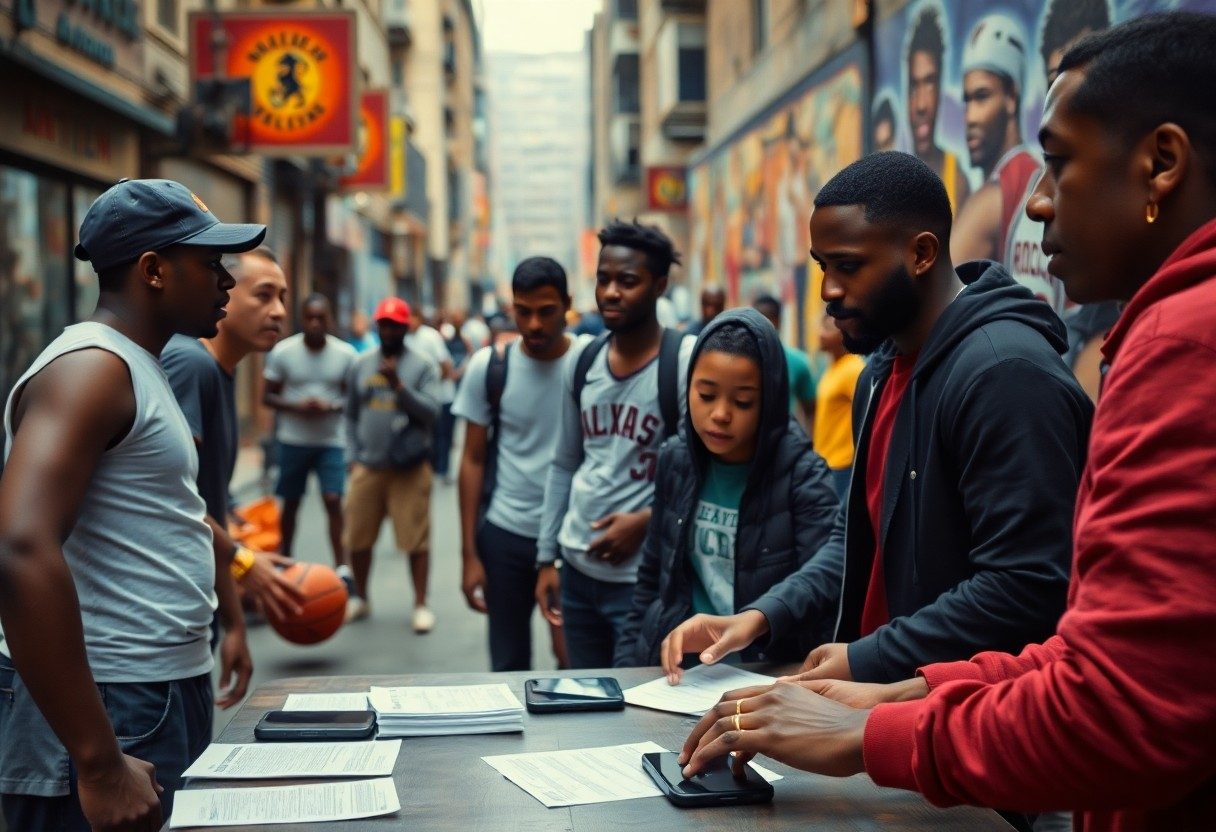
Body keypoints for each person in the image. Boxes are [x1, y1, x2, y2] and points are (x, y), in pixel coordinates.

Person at [678, 14, 1216, 830]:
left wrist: (875, 713)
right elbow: (1082, 645)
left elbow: (1068, 631)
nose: (1034, 202)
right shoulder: (885, 371)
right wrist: (884, 677)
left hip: (1002, 775)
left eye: (1060, 164)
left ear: (1163, 163)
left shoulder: (1110, 355)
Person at [661, 151, 1091, 688]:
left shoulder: (1005, 374)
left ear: (921, 253)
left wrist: (869, 659)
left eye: (849, 266)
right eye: (823, 267)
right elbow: (856, 541)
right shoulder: (880, 374)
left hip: (973, 725)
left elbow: (1026, 584)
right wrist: (763, 615)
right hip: (885, 714)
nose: (828, 292)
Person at [0, 178, 260, 830]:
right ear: (152, 271)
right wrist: (98, 759)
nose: (225, 280)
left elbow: (153, 516)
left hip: (152, 694)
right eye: (209, 263)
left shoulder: (139, 365)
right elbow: (20, 546)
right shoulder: (92, 370)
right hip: (113, 705)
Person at [615, 310, 839, 668]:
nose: (720, 414)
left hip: (765, 672)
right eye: (706, 395)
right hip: (682, 673)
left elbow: (825, 586)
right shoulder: (676, 459)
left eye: (743, 402)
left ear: (770, 402)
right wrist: (626, 672)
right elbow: (652, 581)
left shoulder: (803, 476)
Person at [536, 220, 695, 669]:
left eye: (627, 281)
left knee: (637, 700)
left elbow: (702, 472)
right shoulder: (582, 361)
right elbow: (565, 462)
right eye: (603, 279)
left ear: (659, 285)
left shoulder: (682, 363)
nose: (610, 292)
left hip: (641, 580)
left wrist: (645, 521)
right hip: (577, 571)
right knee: (582, 699)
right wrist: (546, 556)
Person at [454, 257, 588, 671]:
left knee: (576, 665)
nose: (533, 324)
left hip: (572, 538)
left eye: (546, 312)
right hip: (506, 535)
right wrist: (469, 555)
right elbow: (472, 460)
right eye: (523, 311)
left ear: (567, 304)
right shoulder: (490, 368)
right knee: (509, 665)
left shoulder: (592, 363)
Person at [161, 246, 305, 622]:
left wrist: (233, 622)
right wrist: (242, 562)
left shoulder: (218, 370)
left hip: (190, 611)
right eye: (263, 294)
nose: (279, 311)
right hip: (151, 622)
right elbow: (169, 495)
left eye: (283, 298)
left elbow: (205, 509)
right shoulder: (190, 364)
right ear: (221, 289)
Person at [344, 297, 442, 631]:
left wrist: (400, 387)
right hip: (369, 466)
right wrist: (352, 455)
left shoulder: (423, 365)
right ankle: (360, 597)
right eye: (383, 325)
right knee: (357, 537)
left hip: (409, 468)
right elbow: (351, 413)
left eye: (394, 326)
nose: (388, 331)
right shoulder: (361, 364)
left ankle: (420, 604)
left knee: (416, 539)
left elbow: (433, 412)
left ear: (405, 328)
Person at [951, 13, 1048, 304]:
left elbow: (934, 305)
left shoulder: (994, 196)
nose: (969, 117)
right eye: (966, 101)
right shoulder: (1040, 174)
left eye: (981, 97)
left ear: (1011, 97)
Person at [262, 294, 357, 582]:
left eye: (321, 317)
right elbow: (267, 396)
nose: (315, 323)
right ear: (302, 319)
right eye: (310, 317)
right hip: (294, 439)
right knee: (291, 502)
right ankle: (285, 559)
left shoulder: (345, 355)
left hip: (331, 440)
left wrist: (331, 407)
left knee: (333, 499)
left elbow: (353, 398)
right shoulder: (283, 352)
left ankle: (342, 567)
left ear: (329, 319)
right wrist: (297, 407)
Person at [905, 5, 970, 212]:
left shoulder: (958, 181)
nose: (921, 105)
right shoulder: (895, 181)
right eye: (914, 86)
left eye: (930, 82)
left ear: (941, 88)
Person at [812, 310, 865, 499]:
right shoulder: (833, 367)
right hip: (827, 463)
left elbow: (867, 411)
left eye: (827, 328)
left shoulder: (852, 368)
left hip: (842, 466)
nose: (820, 333)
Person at [752, 293, 816, 430]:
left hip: (785, 441)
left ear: (778, 321)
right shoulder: (743, 362)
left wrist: (808, 443)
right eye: (757, 319)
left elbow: (811, 409)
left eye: (769, 317)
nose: (763, 325)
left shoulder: (798, 362)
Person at [407, 309, 457, 483]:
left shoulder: (430, 336)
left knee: (443, 435)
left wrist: (433, 384)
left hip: (442, 396)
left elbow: (445, 364)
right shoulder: (406, 338)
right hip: (421, 398)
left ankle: (442, 470)